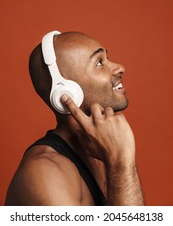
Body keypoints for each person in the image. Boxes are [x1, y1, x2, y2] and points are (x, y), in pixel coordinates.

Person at [5, 31, 145, 206]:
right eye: (100, 62)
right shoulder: (46, 172)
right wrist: (121, 164)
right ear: (65, 91)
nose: (120, 67)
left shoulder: (103, 150)